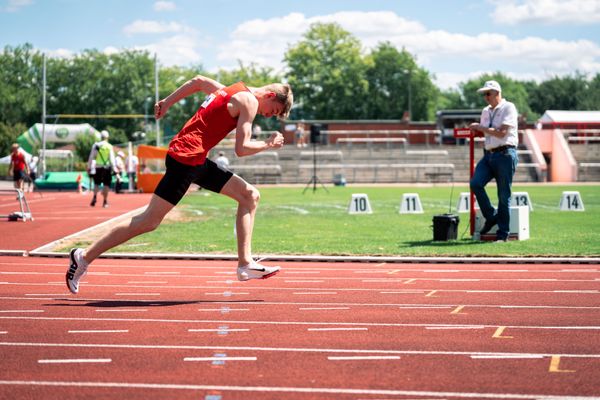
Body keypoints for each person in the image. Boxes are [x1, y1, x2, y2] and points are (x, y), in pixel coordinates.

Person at [66, 76, 293, 294]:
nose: (268, 116)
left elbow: (198, 81)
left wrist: (167, 102)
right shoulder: (249, 101)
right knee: (148, 221)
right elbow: (241, 149)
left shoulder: (232, 90)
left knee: (249, 196)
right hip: (187, 159)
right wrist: (267, 143)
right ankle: (83, 257)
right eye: (272, 110)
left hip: (195, 158)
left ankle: (245, 264)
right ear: (270, 95)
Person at [469, 80, 519, 242]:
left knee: (503, 195)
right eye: (484, 94)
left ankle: (502, 234)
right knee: (475, 183)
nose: (485, 97)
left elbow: (501, 133)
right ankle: (491, 216)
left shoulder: (508, 107)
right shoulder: (485, 111)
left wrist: (479, 128)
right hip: (489, 154)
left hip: (505, 153)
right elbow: (486, 133)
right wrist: (474, 130)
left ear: (497, 92)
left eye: (488, 93)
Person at [87, 130, 117, 208]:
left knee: (96, 183)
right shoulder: (109, 146)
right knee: (106, 184)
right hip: (107, 168)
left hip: (98, 167)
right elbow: (112, 159)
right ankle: (105, 201)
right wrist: (114, 168)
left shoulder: (96, 145)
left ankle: (94, 197)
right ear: (107, 137)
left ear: (101, 137)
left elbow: (91, 157)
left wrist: (89, 167)